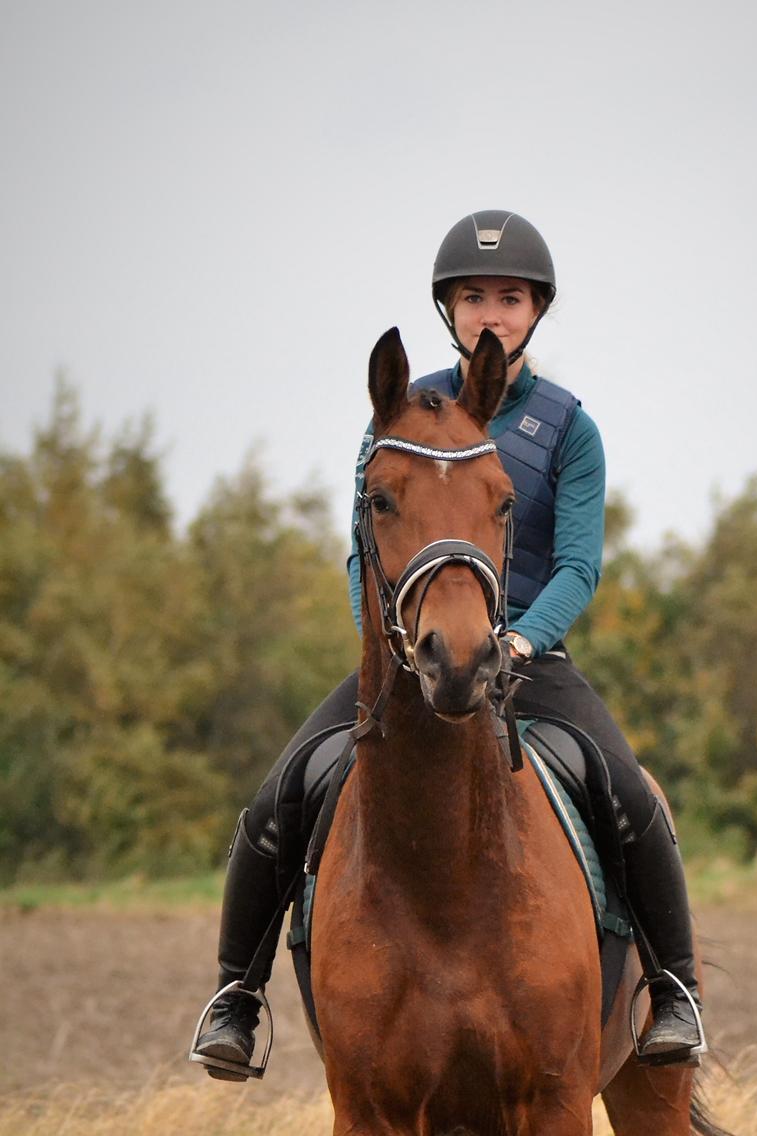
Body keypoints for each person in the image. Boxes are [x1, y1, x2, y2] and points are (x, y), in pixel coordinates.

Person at [190, 209, 704, 1076]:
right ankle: (235, 996)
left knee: (627, 791)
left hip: (523, 662)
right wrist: (391, 645)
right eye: (473, 297)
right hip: (407, 661)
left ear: (535, 310)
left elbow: (578, 564)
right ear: (448, 310)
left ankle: (675, 988)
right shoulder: (395, 413)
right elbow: (365, 550)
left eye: (509, 297)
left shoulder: (569, 429)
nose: (490, 315)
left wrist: (521, 641)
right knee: (279, 797)